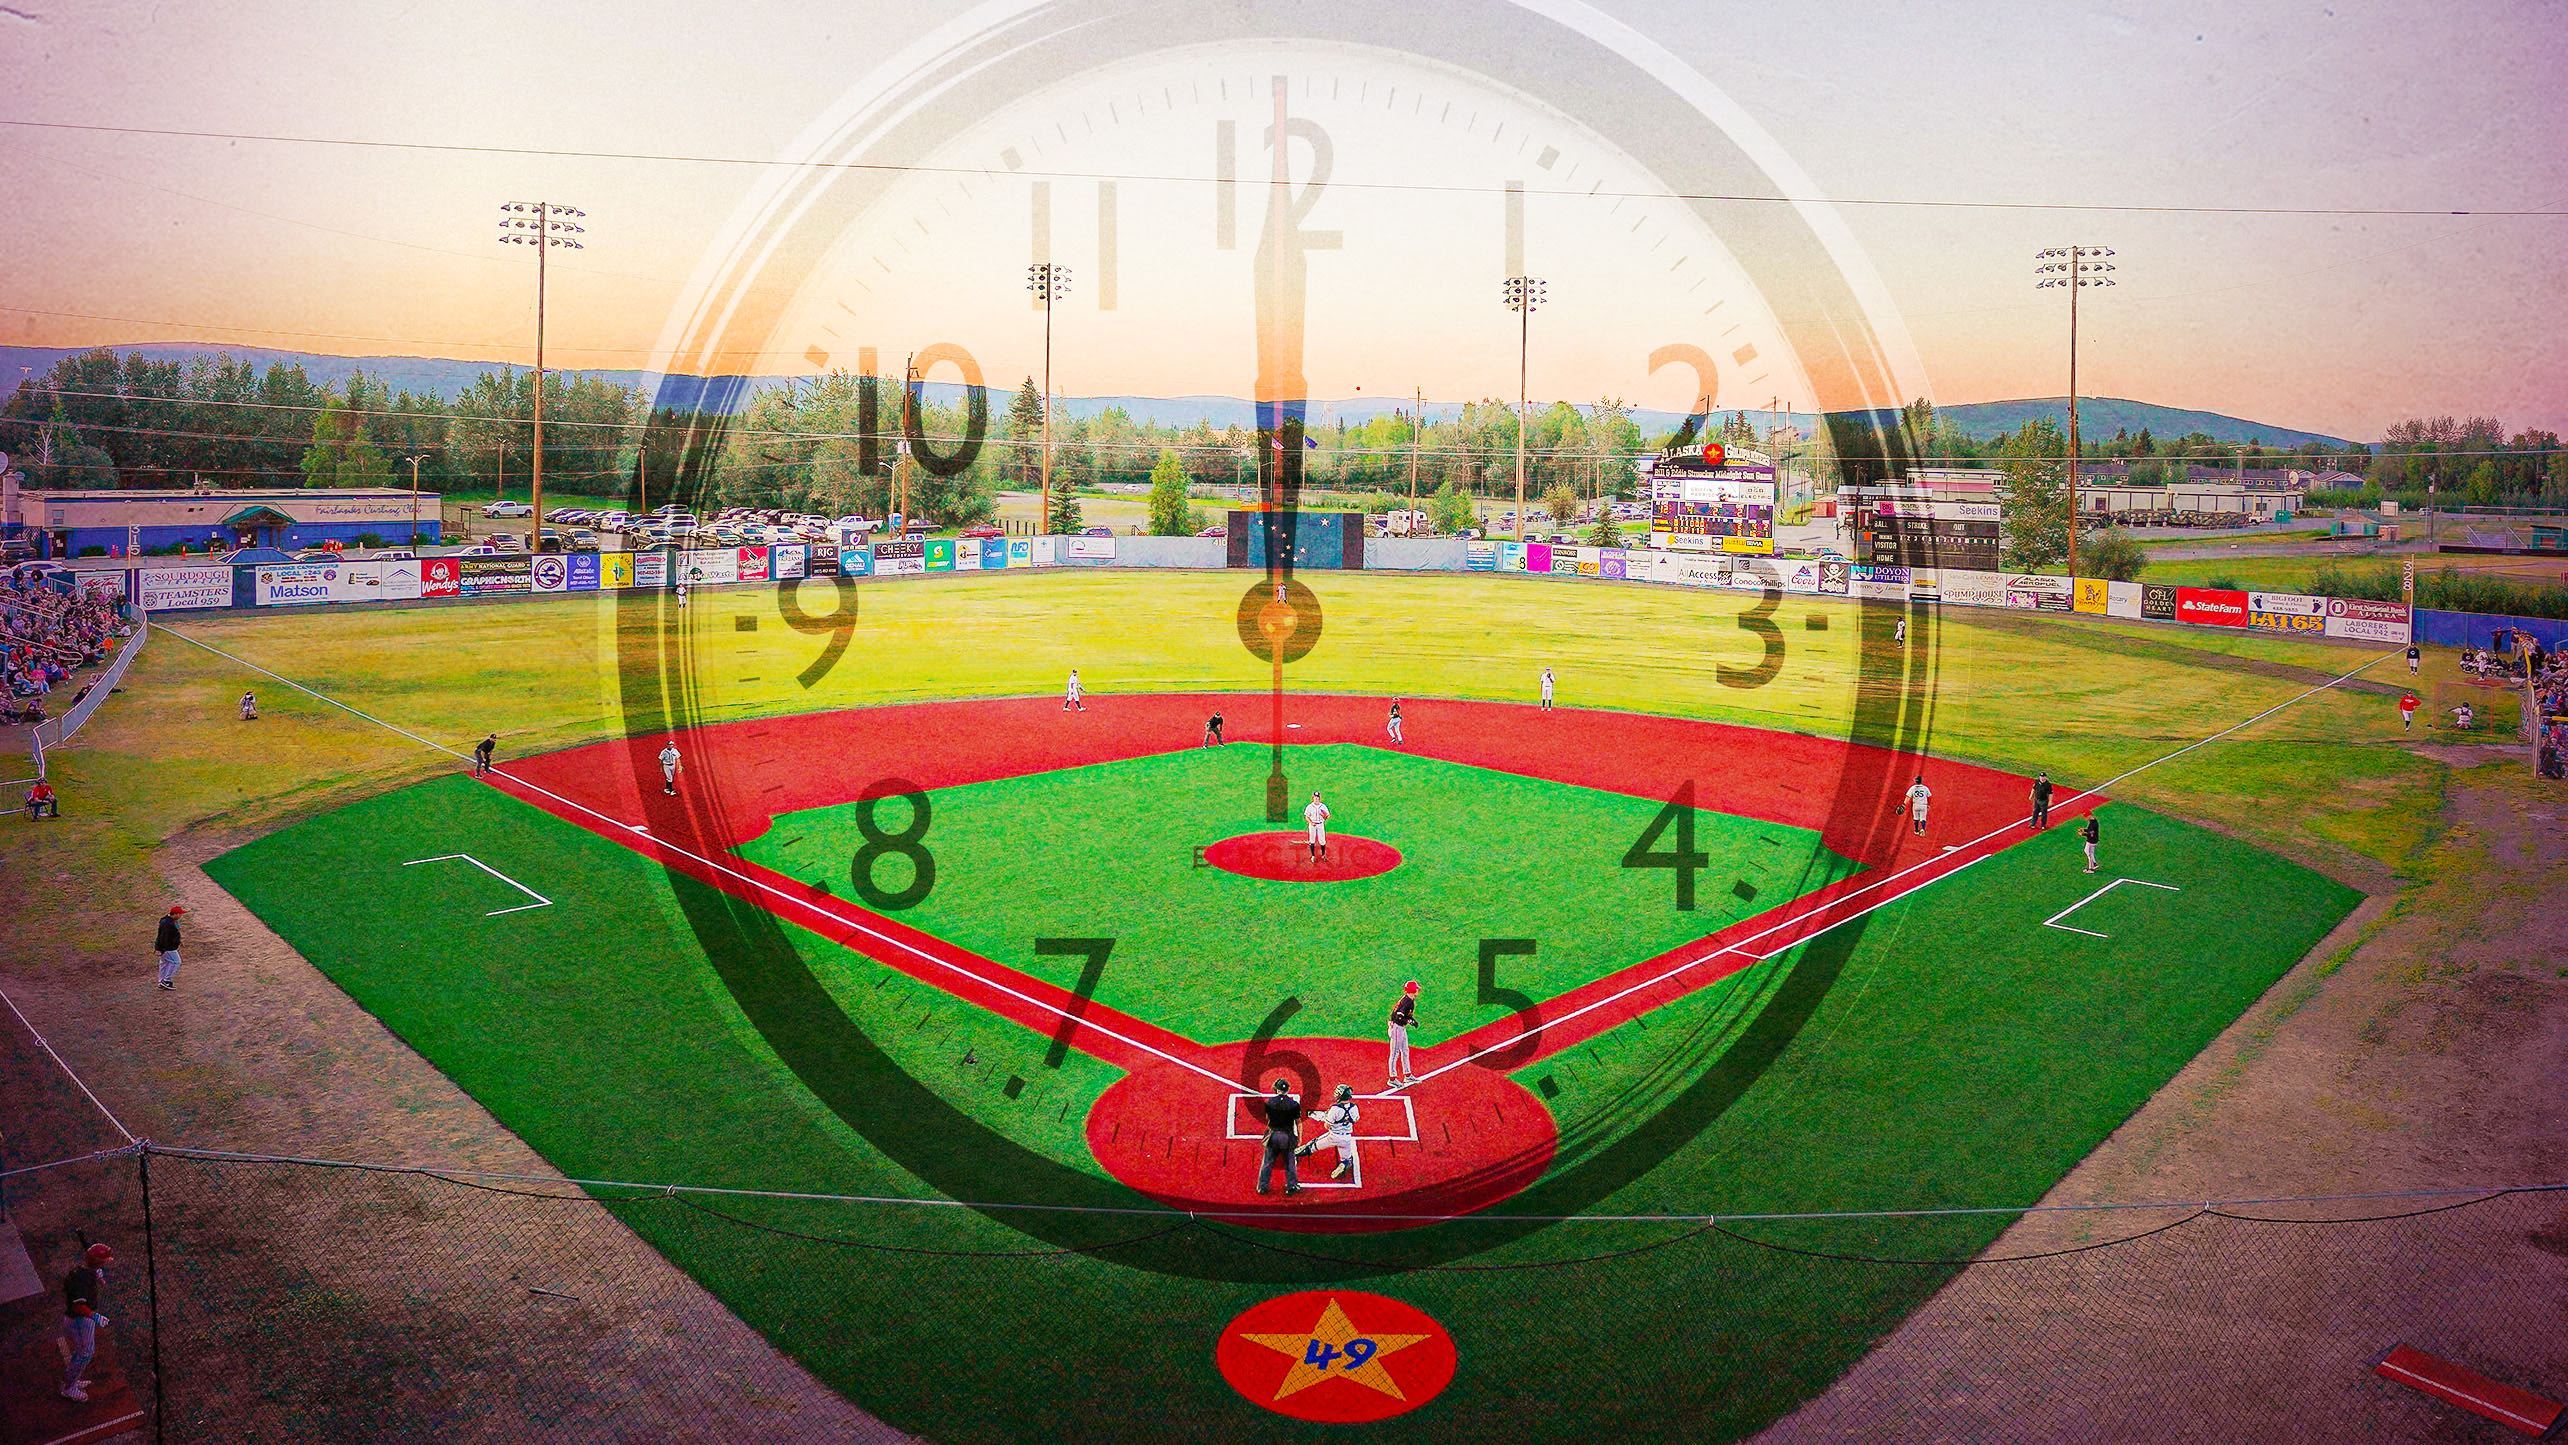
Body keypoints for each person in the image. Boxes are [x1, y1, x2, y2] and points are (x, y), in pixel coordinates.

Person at [59, 1242, 112, 1402]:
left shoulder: (82, 1272)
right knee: (85, 1354)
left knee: (82, 1352)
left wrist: (96, 1275)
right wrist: (95, 1317)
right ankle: (68, 1388)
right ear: (97, 1262)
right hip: (79, 1320)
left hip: (81, 1319)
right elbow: (78, 1306)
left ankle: (72, 1380)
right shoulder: (82, 1279)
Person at [1295, 1083, 1362, 1181]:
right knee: (1347, 1159)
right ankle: (1343, 1165)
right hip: (1347, 1138)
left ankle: (1295, 1153)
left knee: (1313, 1145)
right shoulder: (1354, 1108)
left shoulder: (1335, 1109)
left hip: (1334, 1136)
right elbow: (1355, 1119)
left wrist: (1329, 1118)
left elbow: (1327, 1125)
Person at [1253, 1078, 1303, 1197]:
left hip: (1273, 1135)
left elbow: (1267, 1118)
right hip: (1287, 1136)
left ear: (1276, 1089)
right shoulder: (1294, 1104)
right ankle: (1291, 1186)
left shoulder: (1269, 1102)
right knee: (1290, 1162)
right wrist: (1300, 1138)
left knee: (1267, 1162)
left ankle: (1262, 1186)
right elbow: (1298, 1122)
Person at [1388, 980, 1419, 1087]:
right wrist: (1409, 1021)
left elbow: (1402, 1014)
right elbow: (1399, 1016)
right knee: (1395, 1053)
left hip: (1401, 1028)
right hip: (1397, 1028)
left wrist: (1411, 1019)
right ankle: (1392, 1079)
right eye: (1416, 988)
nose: (1417, 990)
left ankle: (1407, 1075)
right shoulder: (1407, 1002)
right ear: (1412, 990)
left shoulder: (1409, 999)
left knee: (1405, 1050)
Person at [154, 906, 185, 990]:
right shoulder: (168, 923)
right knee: (176, 962)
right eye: (180, 914)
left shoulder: (168, 921)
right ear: (175, 914)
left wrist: (179, 941)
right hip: (167, 948)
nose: (180, 916)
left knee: (165, 963)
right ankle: (166, 981)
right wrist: (162, 949)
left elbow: (174, 933)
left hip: (165, 948)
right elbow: (164, 937)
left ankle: (161, 981)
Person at [1303, 791, 1331, 863]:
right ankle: (1313, 856)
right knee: (1312, 840)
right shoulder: (1309, 807)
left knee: (1322, 840)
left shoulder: (1323, 806)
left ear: (1319, 798)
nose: (1316, 799)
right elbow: (1306, 817)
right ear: (1313, 798)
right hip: (1312, 825)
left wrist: (1325, 816)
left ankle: (1323, 855)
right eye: (1315, 797)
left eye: (1317, 797)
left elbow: (1328, 815)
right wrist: (1311, 822)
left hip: (1320, 824)